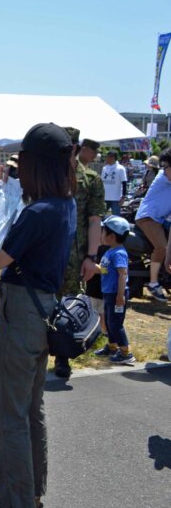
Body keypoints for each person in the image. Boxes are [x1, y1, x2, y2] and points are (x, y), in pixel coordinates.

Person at [0, 122, 76, 508]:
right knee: (29, 410)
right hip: (44, 310)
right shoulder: (63, 203)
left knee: (7, 415)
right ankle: (30, 491)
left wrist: (0, 202)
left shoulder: (37, 212)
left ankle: (16, 498)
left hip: (21, 312)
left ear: (37, 165)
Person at [53, 128, 105, 379]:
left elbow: (95, 220)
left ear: (75, 147)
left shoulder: (91, 179)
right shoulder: (48, 174)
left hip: (75, 256)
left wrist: (91, 258)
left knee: (69, 306)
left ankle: (62, 358)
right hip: (46, 252)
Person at [93, 216, 134, 364]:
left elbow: (122, 274)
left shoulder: (119, 253)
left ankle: (125, 353)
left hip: (116, 294)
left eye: (103, 232)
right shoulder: (110, 251)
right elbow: (106, 270)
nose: (101, 234)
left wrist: (120, 295)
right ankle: (112, 347)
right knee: (110, 322)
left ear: (111, 236)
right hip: (108, 292)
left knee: (116, 324)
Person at [134, 147, 171, 302]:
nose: (165, 169)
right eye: (165, 167)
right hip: (148, 217)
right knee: (161, 247)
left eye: (166, 166)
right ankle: (153, 283)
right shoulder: (164, 177)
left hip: (160, 219)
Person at [100, 150, 127, 216]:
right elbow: (101, 182)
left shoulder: (120, 168)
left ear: (112, 158)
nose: (106, 158)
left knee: (116, 217)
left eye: (107, 157)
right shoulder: (104, 168)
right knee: (101, 216)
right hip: (105, 197)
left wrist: (123, 197)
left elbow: (124, 182)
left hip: (116, 198)